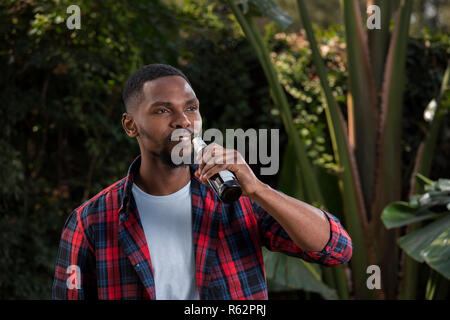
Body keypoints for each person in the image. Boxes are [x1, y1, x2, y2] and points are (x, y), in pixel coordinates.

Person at [52, 63, 353, 300]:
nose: (183, 120)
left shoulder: (238, 198)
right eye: (162, 109)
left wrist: (259, 189)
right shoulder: (90, 221)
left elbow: (336, 249)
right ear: (131, 125)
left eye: (191, 108)